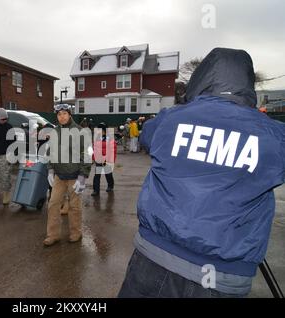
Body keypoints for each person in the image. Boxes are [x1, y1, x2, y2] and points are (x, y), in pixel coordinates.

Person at [118, 48, 285, 298]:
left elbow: (148, 137)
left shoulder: (172, 119)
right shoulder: (274, 135)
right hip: (224, 275)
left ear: (202, 77)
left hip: (153, 258)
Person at [44, 104, 92, 247]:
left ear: (70, 114)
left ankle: (76, 233)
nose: (62, 117)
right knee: (53, 204)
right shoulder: (55, 132)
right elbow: (50, 152)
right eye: (59, 114)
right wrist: (50, 169)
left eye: (64, 113)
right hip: (59, 176)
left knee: (74, 207)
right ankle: (53, 235)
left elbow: (87, 154)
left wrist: (83, 176)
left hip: (75, 176)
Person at [91, 122, 117, 197]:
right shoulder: (97, 138)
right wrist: (93, 158)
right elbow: (94, 149)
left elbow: (113, 150)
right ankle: (96, 190)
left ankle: (110, 186)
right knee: (97, 176)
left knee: (108, 175)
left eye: (102, 130)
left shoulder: (110, 138)